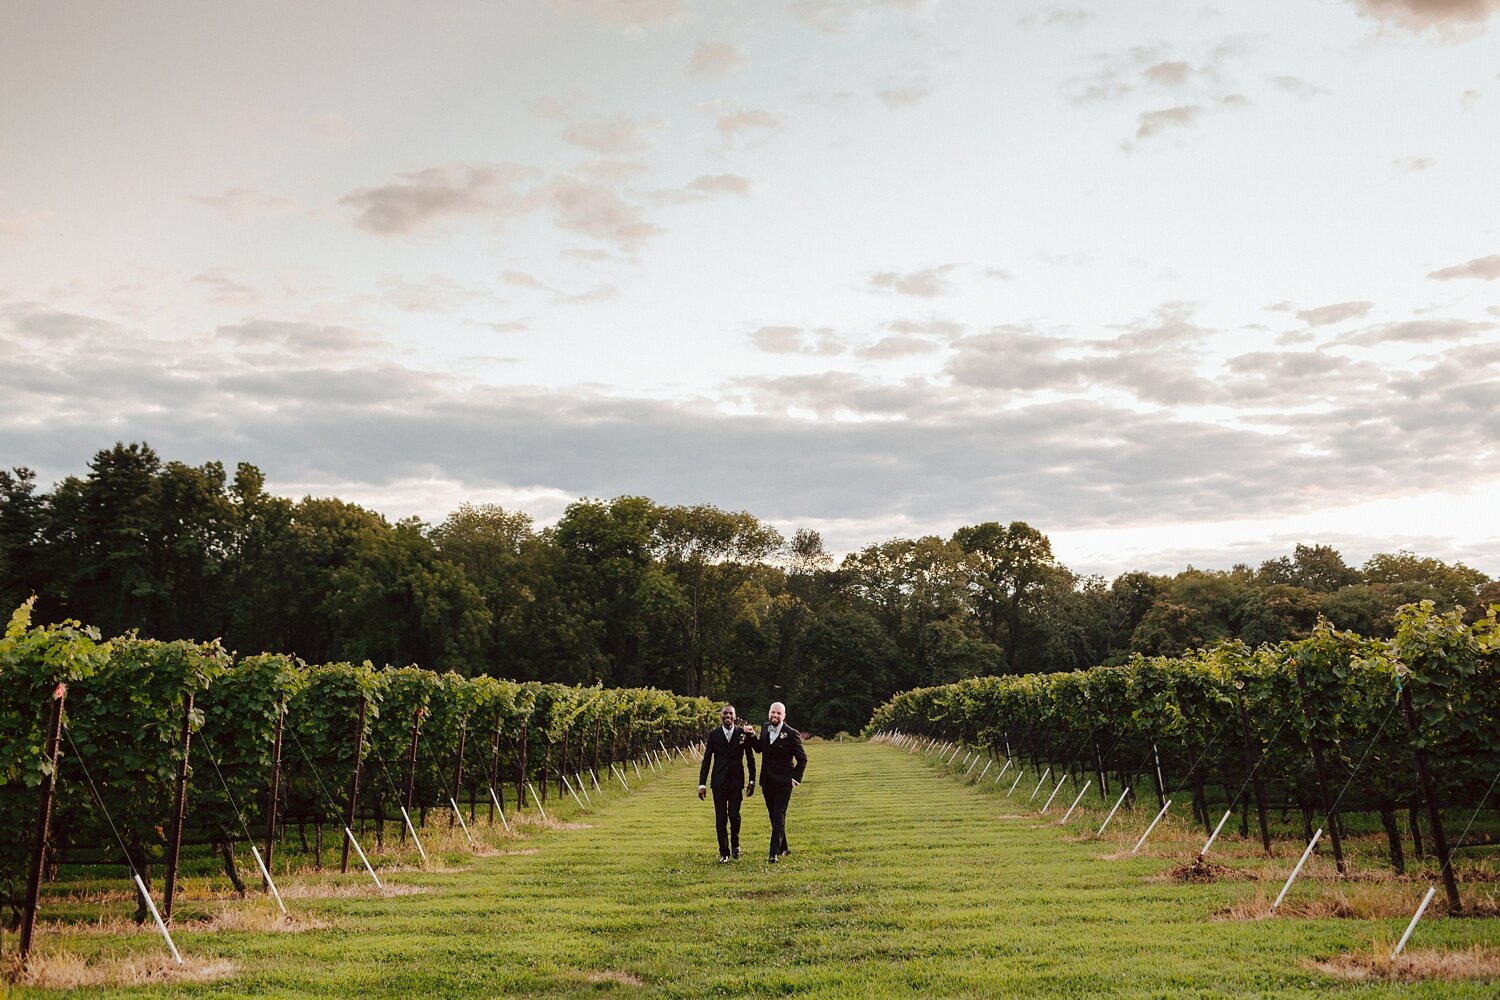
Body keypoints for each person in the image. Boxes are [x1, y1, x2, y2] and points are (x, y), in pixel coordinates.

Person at [697, 704, 757, 862]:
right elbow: (707, 760)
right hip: (719, 783)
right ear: (721, 716)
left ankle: (735, 844)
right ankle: (724, 852)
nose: (727, 716)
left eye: (730, 713)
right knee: (720, 818)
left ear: (735, 716)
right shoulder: (714, 735)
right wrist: (702, 784)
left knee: (734, 815)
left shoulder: (742, 734)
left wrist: (752, 780)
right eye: (725, 713)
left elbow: (750, 759)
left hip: (737, 782)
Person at [750, 701, 806, 863]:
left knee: (778, 815)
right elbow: (760, 749)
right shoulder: (766, 727)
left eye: (778, 713)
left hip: (783, 782)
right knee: (772, 815)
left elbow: (802, 759)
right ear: (769, 713)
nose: (775, 715)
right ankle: (784, 848)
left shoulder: (792, 733)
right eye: (772, 712)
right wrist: (752, 735)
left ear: (784, 716)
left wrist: (795, 778)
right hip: (767, 781)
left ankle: (773, 853)